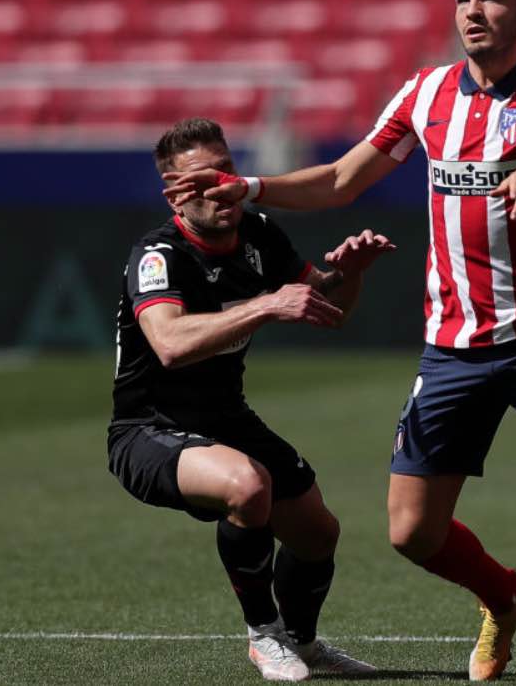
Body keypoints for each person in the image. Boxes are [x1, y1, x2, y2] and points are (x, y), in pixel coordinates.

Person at [164, 0, 516, 686]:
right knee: (411, 533)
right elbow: (342, 179)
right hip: (452, 349)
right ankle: (505, 597)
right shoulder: (424, 94)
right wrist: (248, 185)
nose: (474, 11)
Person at [108, 117, 394, 682]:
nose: (218, 187)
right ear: (172, 196)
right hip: (148, 429)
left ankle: (304, 644)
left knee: (319, 533)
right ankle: (264, 636)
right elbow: (168, 343)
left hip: (225, 418)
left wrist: (349, 273)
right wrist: (265, 306)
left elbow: (326, 309)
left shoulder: (259, 230)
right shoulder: (158, 255)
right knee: (248, 485)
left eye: (226, 171)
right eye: (198, 182)